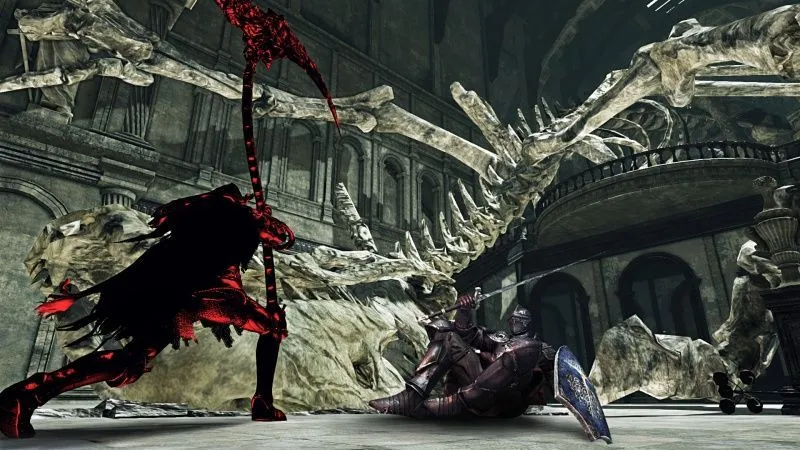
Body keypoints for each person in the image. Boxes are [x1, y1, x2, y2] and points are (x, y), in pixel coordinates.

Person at [0, 184, 292, 439]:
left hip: (178, 293)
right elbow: (283, 237)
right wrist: (264, 219)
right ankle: (263, 402)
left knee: (131, 361)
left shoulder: (193, 214)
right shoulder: (239, 214)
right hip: (214, 293)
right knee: (273, 325)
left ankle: (25, 394)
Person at [369, 291, 556, 418]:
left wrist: (546, 403)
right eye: (513, 319)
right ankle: (412, 397)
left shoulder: (540, 349)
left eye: (520, 320)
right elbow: (469, 334)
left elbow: (555, 377)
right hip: (477, 385)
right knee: (449, 335)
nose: (515, 323)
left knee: (525, 350)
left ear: (528, 323)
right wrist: (464, 311)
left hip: (506, 399)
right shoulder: (501, 339)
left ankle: (460, 402)